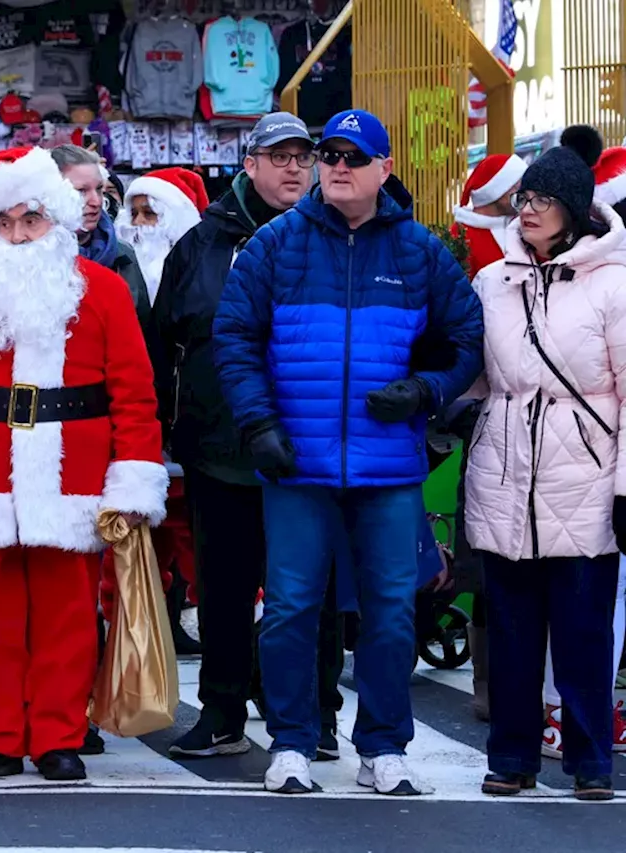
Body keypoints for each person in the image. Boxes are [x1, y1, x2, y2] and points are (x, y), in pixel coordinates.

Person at [213, 110, 484, 796]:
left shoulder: (420, 252)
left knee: (392, 610)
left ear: (384, 169)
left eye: (352, 156)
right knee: (291, 608)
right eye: (328, 154)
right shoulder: (276, 244)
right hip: (295, 464)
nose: (336, 165)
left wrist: (428, 387)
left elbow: (468, 339)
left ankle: (384, 747)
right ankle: (292, 741)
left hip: (389, 468)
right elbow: (235, 337)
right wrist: (257, 424)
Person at [0, 146, 166, 784]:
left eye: (28, 221)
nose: (15, 236)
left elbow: (136, 396)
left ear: (54, 221)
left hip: (75, 476)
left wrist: (133, 478)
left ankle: (59, 734)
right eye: (2, 223)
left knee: (67, 615)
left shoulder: (105, 291)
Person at [153, 113, 324, 760]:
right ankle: (221, 714)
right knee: (222, 591)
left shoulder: (332, 238)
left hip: (306, 446)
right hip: (218, 447)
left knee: (307, 591)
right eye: (278, 156)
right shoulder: (201, 243)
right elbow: (166, 332)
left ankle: (317, 720)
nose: (292, 168)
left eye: (301, 157)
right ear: (248, 164)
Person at [466, 126, 626, 802]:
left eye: (543, 198)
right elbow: (474, 374)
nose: (527, 209)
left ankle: (590, 758)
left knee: (583, 633)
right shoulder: (491, 282)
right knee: (510, 632)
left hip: (583, 476)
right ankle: (511, 754)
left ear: (576, 205)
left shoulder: (614, 286)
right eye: (523, 198)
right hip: (503, 473)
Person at [49, 144, 151, 329]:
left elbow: (144, 330)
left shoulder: (123, 254)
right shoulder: (32, 256)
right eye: (80, 191)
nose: (95, 201)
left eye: (98, 189)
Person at [116, 168, 207, 305]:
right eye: (134, 214)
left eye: (149, 213)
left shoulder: (202, 270)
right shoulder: (118, 263)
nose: (137, 222)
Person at [453, 154, 527, 280]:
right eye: (517, 187)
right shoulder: (459, 237)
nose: (524, 195)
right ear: (496, 191)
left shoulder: (523, 226)